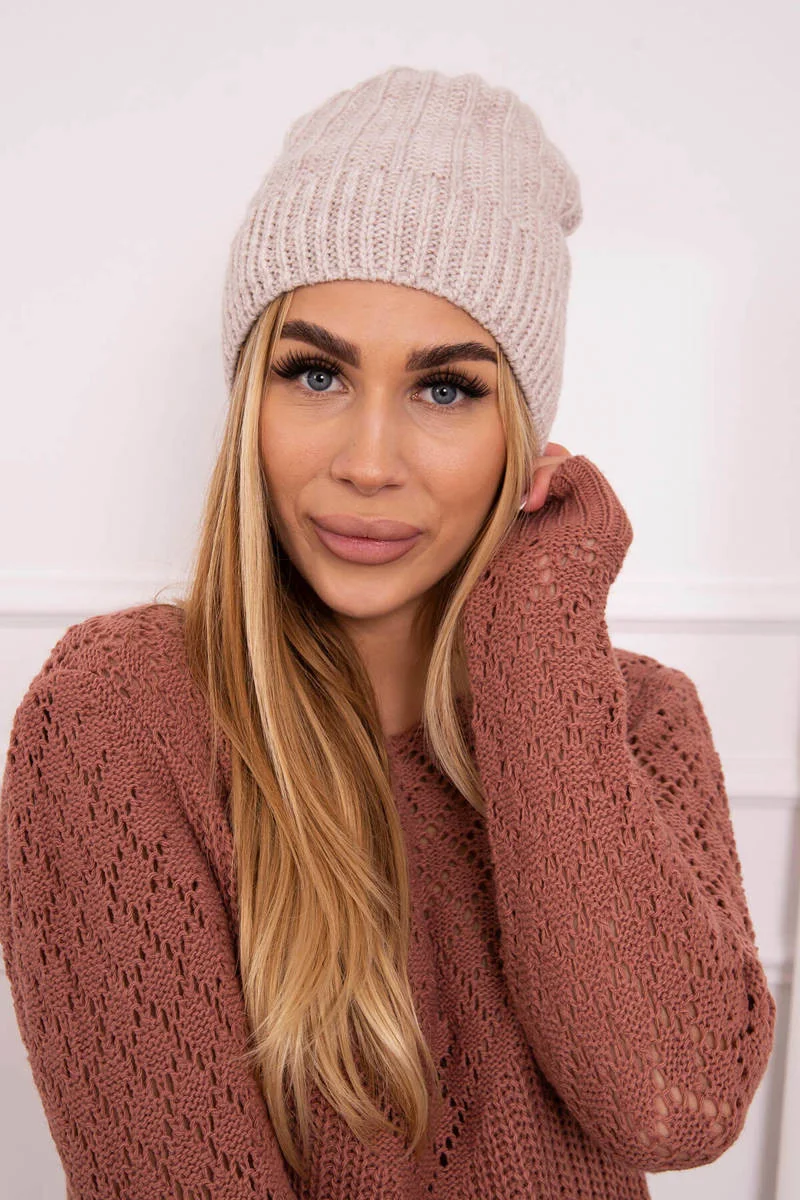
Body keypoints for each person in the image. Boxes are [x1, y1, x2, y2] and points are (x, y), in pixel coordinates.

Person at [0, 65, 776, 1200]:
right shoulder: (121, 714)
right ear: (250, 401)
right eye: (314, 373)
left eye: (446, 389)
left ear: (522, 434)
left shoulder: (639, 720)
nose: (368, 462)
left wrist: (538, 644)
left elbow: (677, 1110)